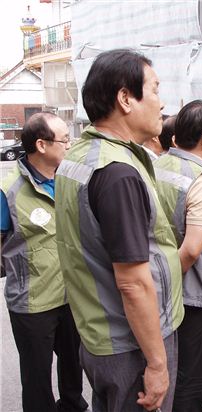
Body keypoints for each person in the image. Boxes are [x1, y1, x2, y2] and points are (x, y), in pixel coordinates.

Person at [55, 49, 184, 412]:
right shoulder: (118, 172)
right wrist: (157, 364)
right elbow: (133, 282)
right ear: (126, 99)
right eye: (155, 90)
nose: (161, 103)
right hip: (132, 343)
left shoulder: (80, 156)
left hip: (100, 334)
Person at [0, 112, 88, 412]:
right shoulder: (8, 190)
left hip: (71, 295)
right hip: (32, 302)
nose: (69, 145)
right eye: (65, 140)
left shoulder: (71, 181)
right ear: (41, 144)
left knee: (74, 364)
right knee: (37, 376)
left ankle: (73, 405)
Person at [154, 100, 202, 412]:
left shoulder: (157, 166)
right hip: (199, 298)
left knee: (172, 373)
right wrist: (169, 284)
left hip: (164, 290)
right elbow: (191, 249)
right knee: (194, 380)